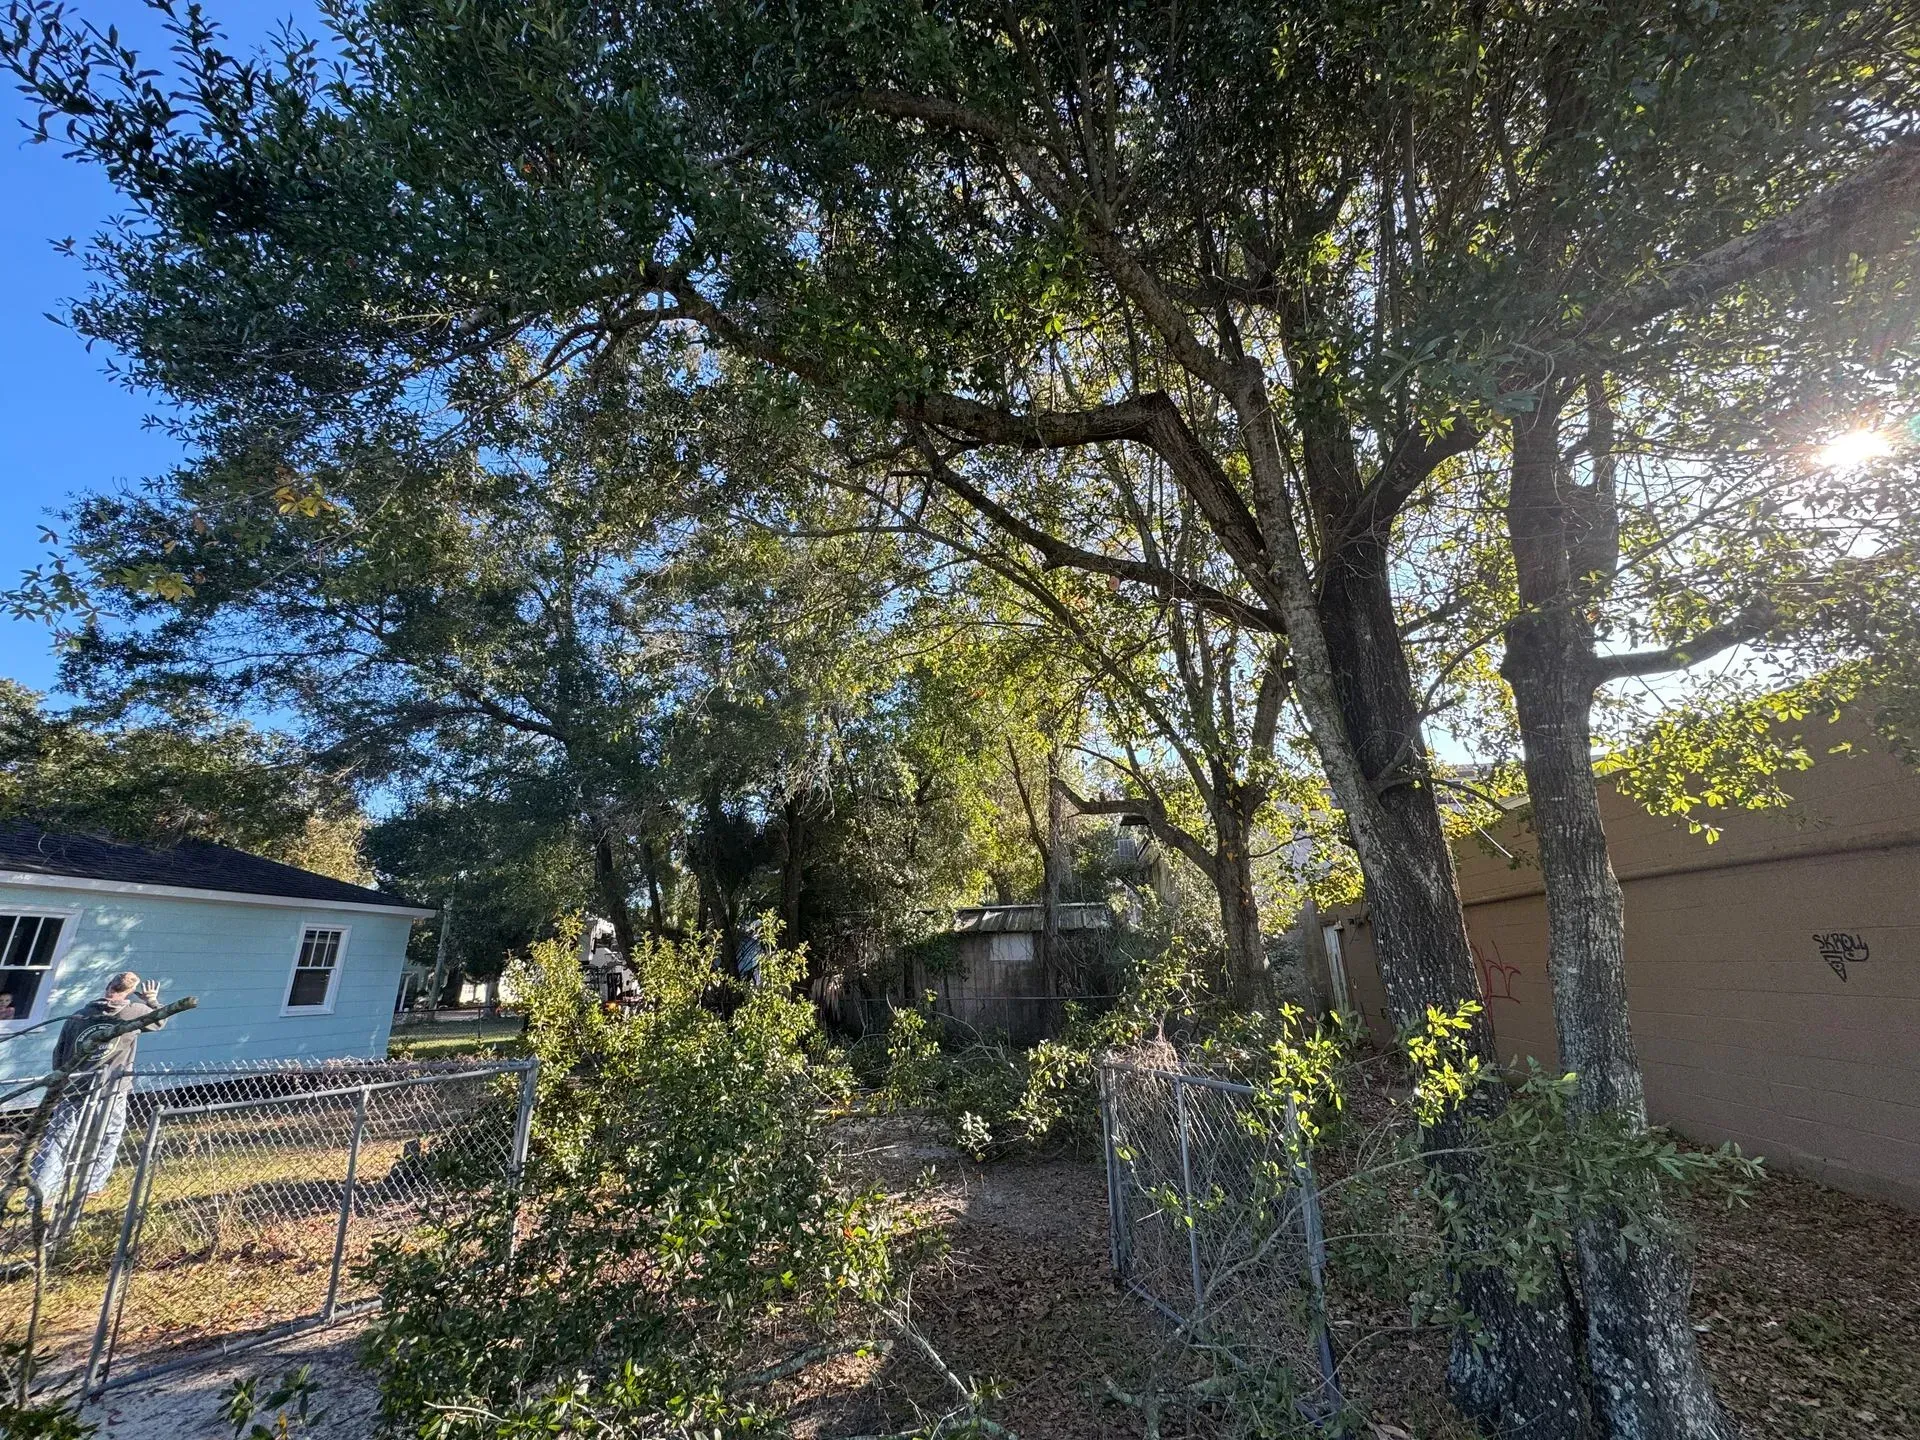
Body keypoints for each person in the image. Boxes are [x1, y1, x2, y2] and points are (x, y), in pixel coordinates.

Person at [29, 971, 165, 1213]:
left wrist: (59, 1080)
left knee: (58, 1141)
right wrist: (151, 1000)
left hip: (74, 1087)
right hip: (112, 1088)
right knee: (109, 1136)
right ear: (131, 991)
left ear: (107, 987)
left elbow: (60, 1050)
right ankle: (92, 1185)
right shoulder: (134, 1012)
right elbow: (158, 1021)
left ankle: (40, 1194)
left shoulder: (79, 1016)